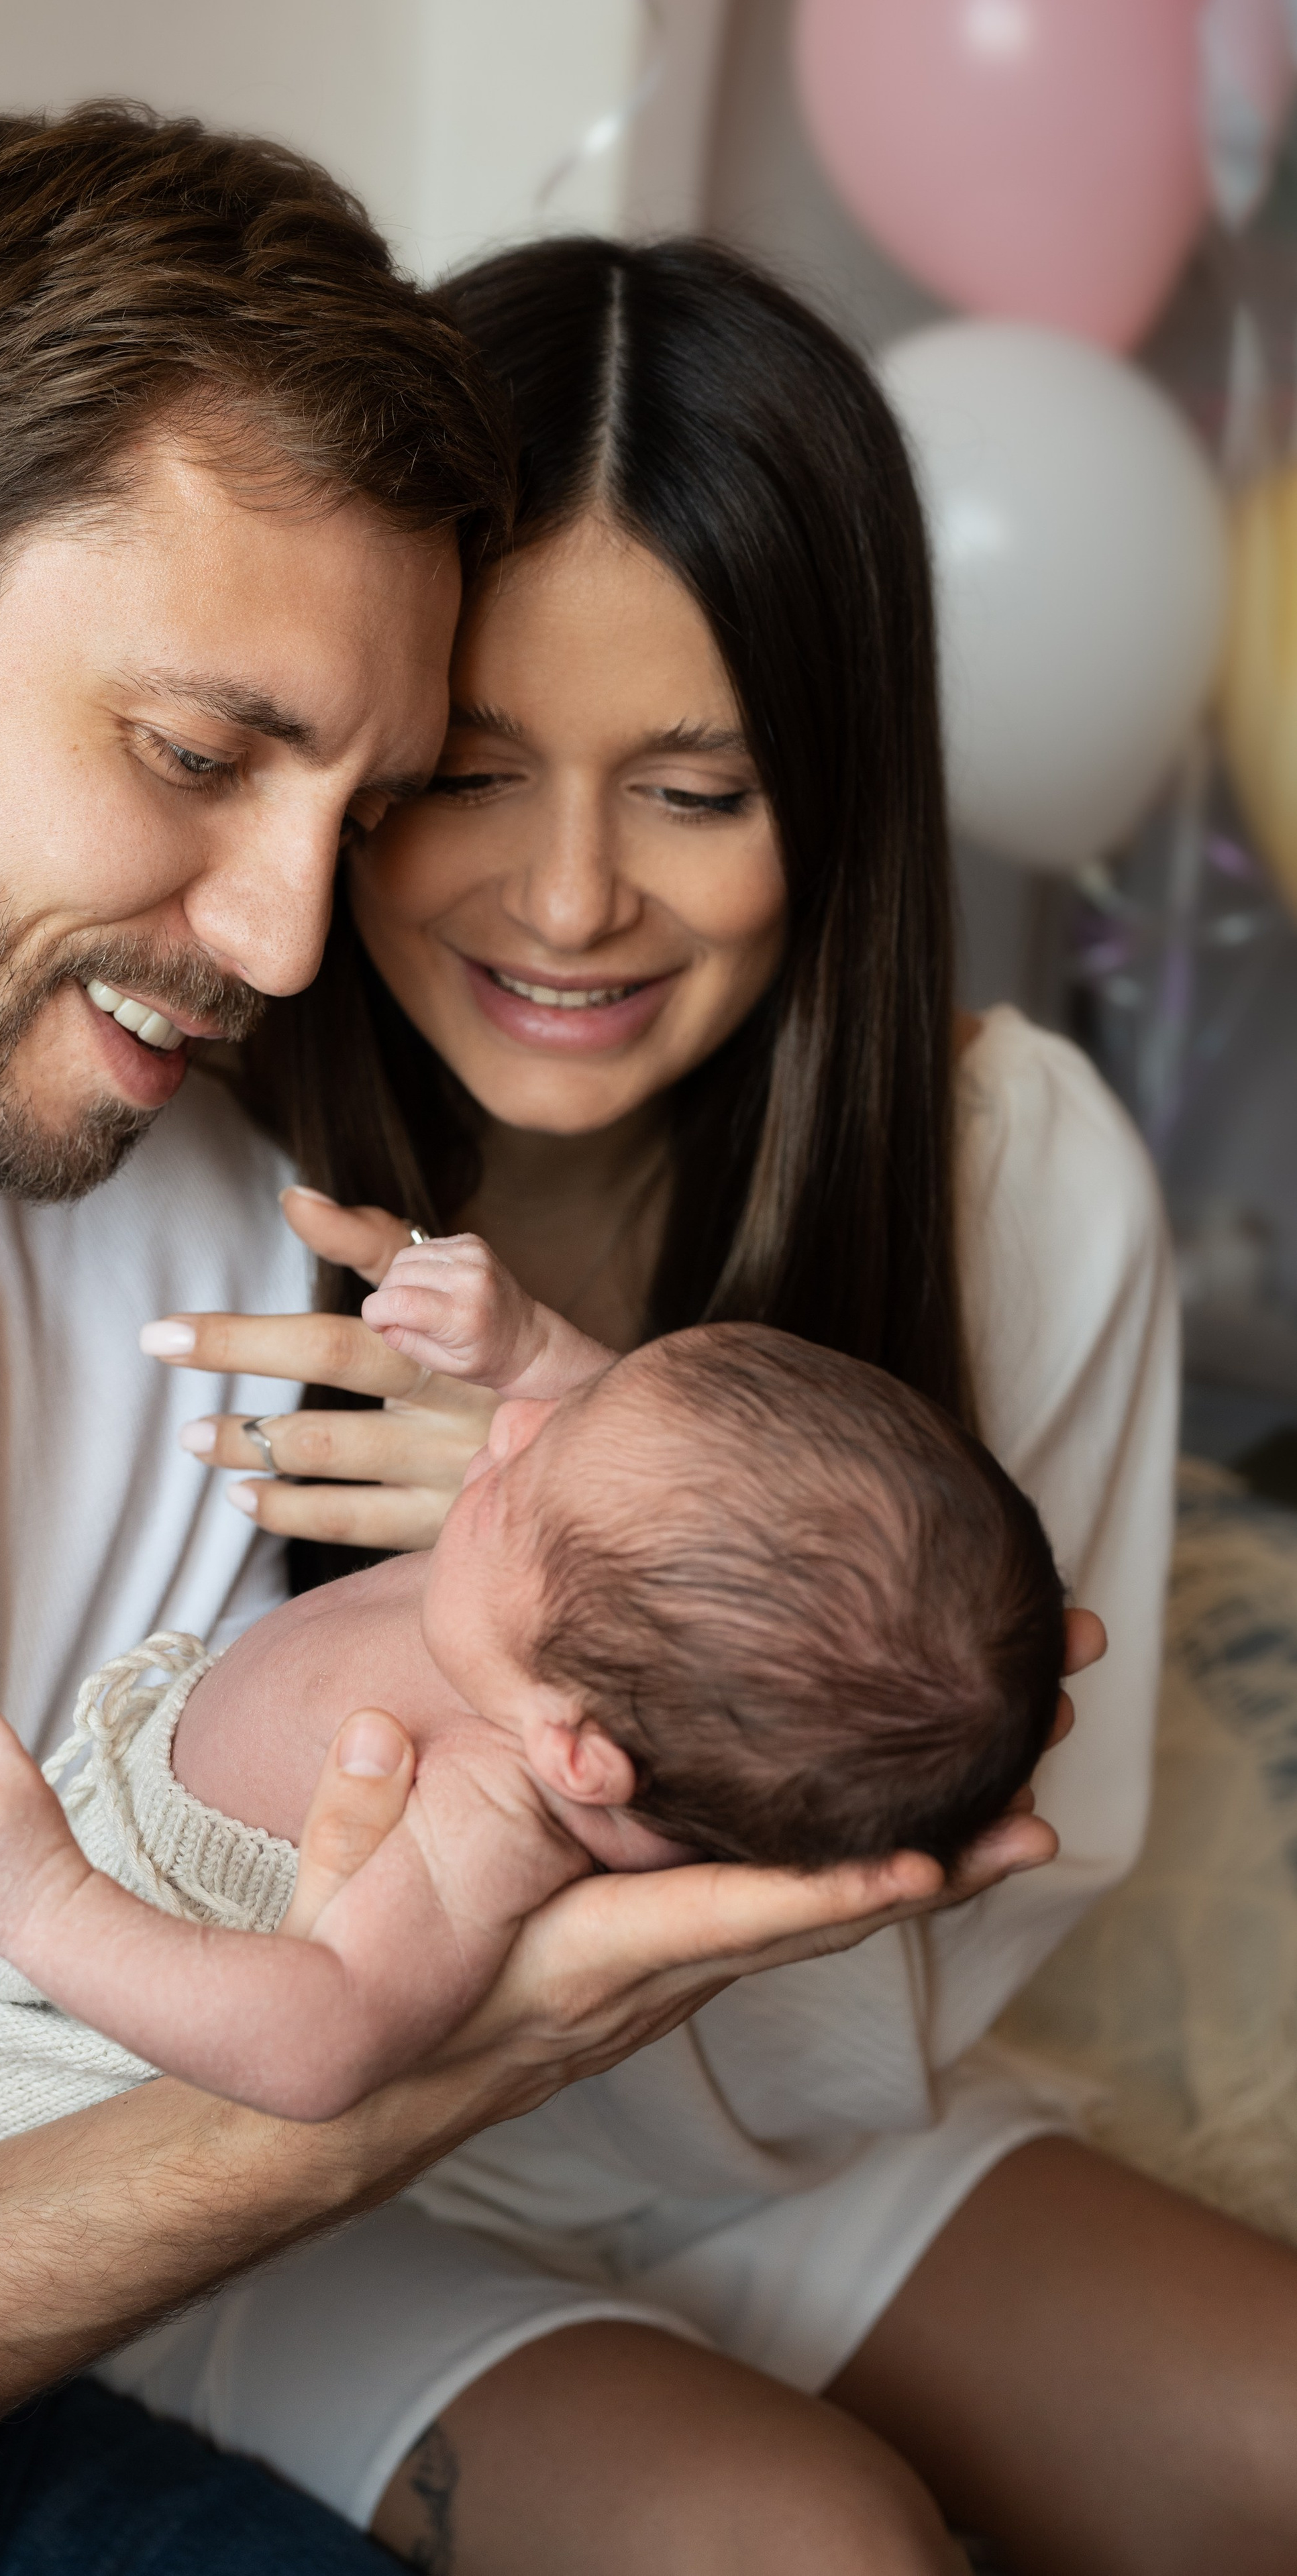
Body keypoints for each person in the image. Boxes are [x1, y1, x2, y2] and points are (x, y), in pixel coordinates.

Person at [0, 123, 1048, 2576]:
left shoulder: (201, 1212)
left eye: (356, 798)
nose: (279, 936)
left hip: (2, 2416)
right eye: (192, 752)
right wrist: (395, 2081)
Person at [147, 238, 1297, 2576]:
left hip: (783, 2123)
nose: (570, 899)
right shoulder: (182, 1168)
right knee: (801, 2543)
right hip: (289, 2163)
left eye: (696, 787)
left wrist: (597, 1548)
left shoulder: (1018, 1172)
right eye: (471, 772)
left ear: (838, 790)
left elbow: (924, 1974)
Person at [0, 1276, 1066, 2171]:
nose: (497, 1434)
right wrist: (517, 1340)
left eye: (512, 1483)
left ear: (574, 1753)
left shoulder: (483, 1817)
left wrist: (36, 1896)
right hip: (130, 1761)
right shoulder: (618, 1630)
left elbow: (314, 2041)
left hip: (116, 1978)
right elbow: (636, 1477)